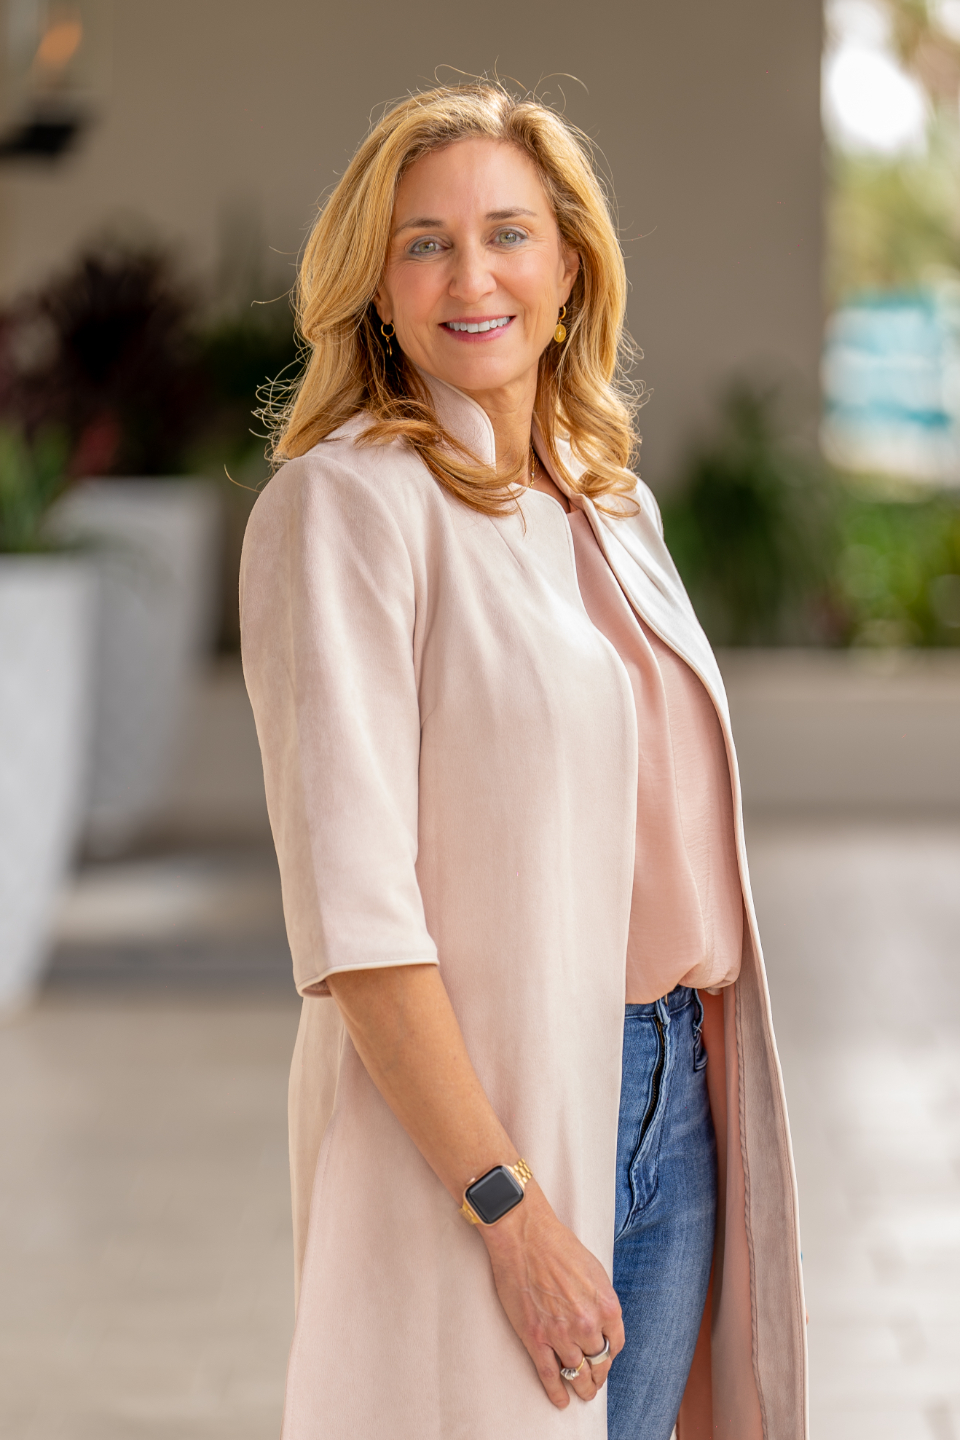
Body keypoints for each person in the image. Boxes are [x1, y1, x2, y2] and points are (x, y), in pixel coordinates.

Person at [240, 82, 807, 1440]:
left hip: (675, 1089)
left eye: (507, 232)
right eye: (424, 240)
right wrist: (508, 1203)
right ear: (375, 284)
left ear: (569, 264)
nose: (470, 274)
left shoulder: (609, 498)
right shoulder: (346, 507)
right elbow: (355, 919)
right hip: (492, 1127)